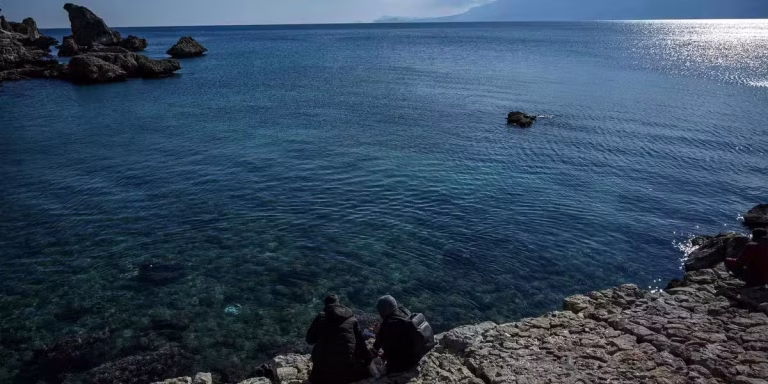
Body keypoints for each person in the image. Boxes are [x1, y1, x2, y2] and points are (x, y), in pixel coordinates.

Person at [306, 295, 371, 384]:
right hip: (348, 372)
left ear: (326, 306)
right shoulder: (352, 318)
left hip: (321, 374)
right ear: (339, 303)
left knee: (318, 346)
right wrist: (368, 360)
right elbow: (361, 342)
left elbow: (309, 340)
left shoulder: (321, 317)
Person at [371, 295, 423, 374]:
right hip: (417, 353)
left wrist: (378, 332)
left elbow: (377, 347)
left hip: (406, 362)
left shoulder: (389, 323)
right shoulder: (404, 310)